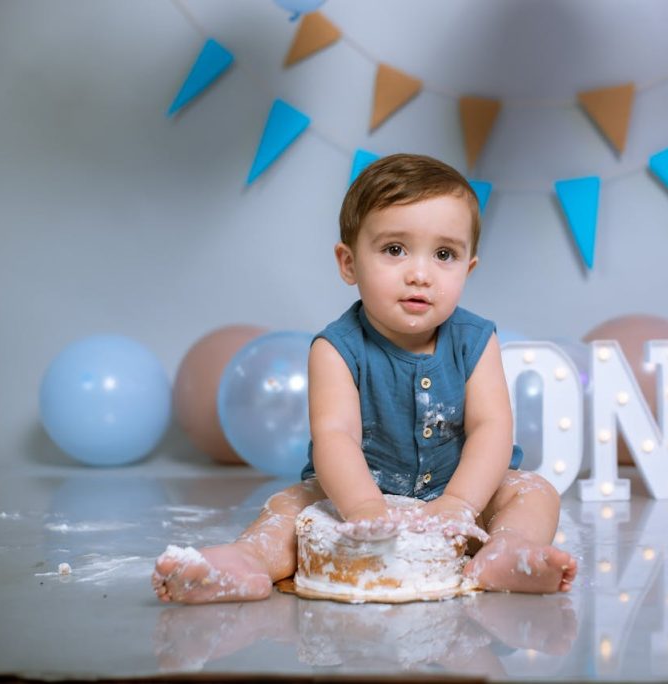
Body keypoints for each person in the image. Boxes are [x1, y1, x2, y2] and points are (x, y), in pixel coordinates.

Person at [153, 153, 577, 604]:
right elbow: (335, 436)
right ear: (349, 262)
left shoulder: (475, 340)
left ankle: (509, 551)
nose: (420, 273)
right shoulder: (336, 348)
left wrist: (461, 504)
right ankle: (245, 561)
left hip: (460, 489)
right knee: (287, 509)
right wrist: (363, 507)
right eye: (395, 250)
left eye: (444, 254)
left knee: (534, 492)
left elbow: (491, 428)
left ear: (468, 268)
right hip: (360, 487)